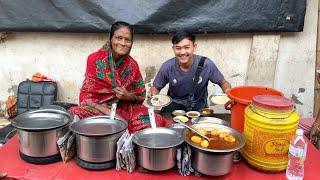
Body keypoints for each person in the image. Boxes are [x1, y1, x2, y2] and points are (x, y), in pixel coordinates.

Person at [68, 21, 165, 132]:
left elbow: (140, 96)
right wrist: (108, 112)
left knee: (156, 120)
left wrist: (128, 96)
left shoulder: (132, 65)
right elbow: (86, 97)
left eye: (127, 39)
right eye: (119, 38)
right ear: (111, 39)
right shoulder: (94, 59)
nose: (123, 43)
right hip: (97, 109)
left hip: (124, 110)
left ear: (131, 43)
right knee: (74, 114)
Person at [149, 30, 231, 112]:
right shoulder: (167, 66)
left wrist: (229, 93)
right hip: (173, 108)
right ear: (173, 49)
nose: (182, 52)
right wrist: (153, 96)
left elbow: (223, 83)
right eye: (178, 48)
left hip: (198, 107)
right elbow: (155, 88)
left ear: (194, 47)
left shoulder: (206, 64)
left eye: (186, 47)